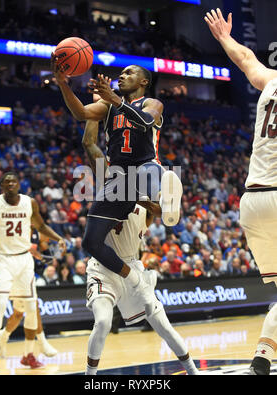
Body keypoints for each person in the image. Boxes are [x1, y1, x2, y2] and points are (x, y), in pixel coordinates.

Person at [51, 57, 183, 318]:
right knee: (90, 241)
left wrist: (115, 100)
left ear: (144, 81)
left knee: (147, 173)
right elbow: (80, 113)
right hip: (119, 178)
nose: (121, 76)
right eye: (120, 73)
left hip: (147, 167)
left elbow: (146, 121)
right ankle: (137, 279)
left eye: (128, 72)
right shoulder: (108, 106)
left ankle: (167, 199)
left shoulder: (151, 102)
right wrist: (63, 84)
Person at [82, 120, 199, 376]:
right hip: (105, 268)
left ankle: (193, 371)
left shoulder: (146, 206)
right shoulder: (109, 189)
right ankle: (90, 378)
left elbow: (160, 212)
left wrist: (159, 204)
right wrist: (92, 117)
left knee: (163, 325)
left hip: (133, 267)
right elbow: (90, 147)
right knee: (102, 322)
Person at [205, 7, 277, 376]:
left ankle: (262, 358)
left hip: (252, 200)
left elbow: (246, 58)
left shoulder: (272, 82)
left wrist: (222, 37)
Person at [0, 172, 66, 372]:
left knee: (31, 307)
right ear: (1, 186)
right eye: (6, 181)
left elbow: (41, 225)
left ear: (19, 184)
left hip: (24, 260)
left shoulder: (30, 203)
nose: (10, 184)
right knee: (0, 304)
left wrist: (57, 238)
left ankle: (29, 355)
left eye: (13, 181)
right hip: (3, 261)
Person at [0, 229, 58, 359]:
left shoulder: (39, 234)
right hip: (8, 271)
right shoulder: (12, 228)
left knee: (18, 314)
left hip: (25, 273)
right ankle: (42, 343)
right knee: (33, 305)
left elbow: (49, 260)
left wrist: (38, 254)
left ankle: (3, 336)